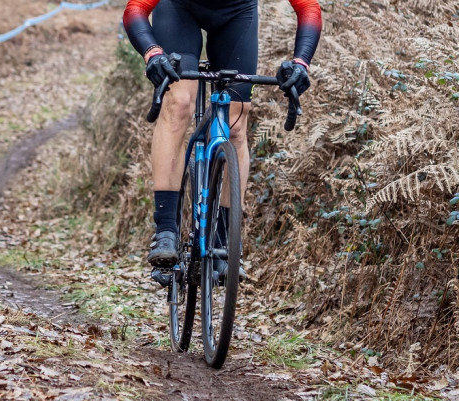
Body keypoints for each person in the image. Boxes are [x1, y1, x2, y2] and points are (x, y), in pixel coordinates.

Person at [122, 0, 322, 281]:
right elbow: (135, 9)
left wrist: (301, 63)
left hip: (237, 13)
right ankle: (166, 231)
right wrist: (152, 54)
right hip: (179, 10)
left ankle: (225, 241)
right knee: (178, 103)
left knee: (236, 123)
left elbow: (309, 8)